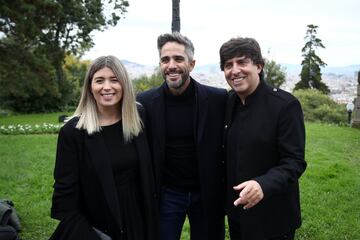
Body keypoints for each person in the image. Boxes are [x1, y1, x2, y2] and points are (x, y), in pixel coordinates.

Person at [50, 55, 158, 240]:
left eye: (114, 80)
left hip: (138, 218)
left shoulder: (138, 118)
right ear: (90, 87)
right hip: (96, 224)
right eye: (99, 80)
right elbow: (65, 198)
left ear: (124, 85)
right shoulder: (73, 132)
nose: (107, 87)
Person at [137, 32, 227, 240]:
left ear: (192, 64)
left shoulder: (217, 99)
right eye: (165, 60)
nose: (171, 65)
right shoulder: (145, 102)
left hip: (206, 194)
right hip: (166, 195)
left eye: (178, 59)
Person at [219, 37, 307, 240]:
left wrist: (263, 185)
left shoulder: (285, 105)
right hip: (237, 213)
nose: (235, 70)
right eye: (228, 65)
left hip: (273, 216)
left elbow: (294, 162)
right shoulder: (228, 102)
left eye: (242, 62)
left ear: (259, 66)